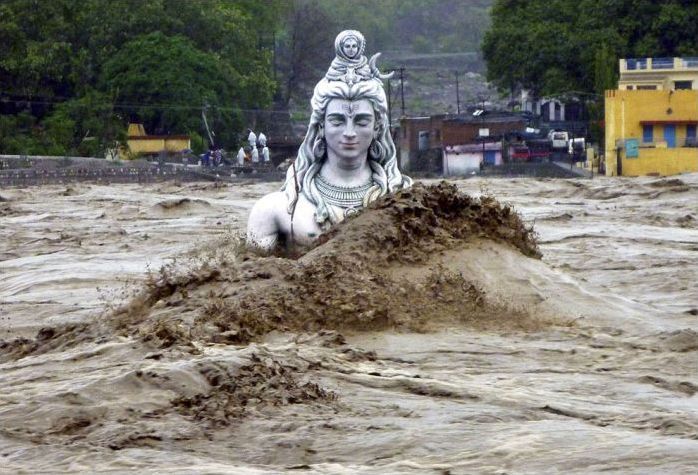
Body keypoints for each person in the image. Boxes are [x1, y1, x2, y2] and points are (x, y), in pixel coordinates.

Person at [246, 30, 411, 250]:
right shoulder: (276, 209)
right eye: (337, 121)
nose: (350, 132)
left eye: (361, 122)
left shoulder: (405, 200)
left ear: (377, 126)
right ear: (321, 126)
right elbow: (251, 277)